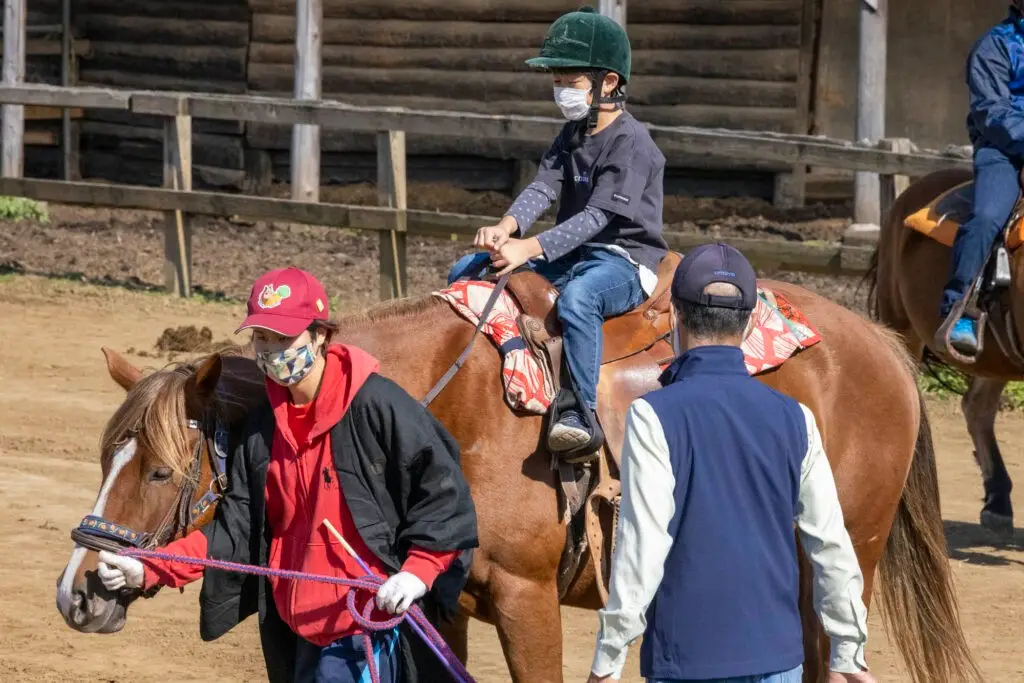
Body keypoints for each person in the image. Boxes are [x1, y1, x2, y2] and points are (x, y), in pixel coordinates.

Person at [96, 266, 479, 683]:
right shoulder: (263, 426)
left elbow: (444, 494)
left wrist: (417, 572)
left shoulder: (379, 405)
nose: (272, 350)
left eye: (284, 338)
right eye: (262, 338)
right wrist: (151, 567)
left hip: (361, 627)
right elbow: (237, 531)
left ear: (320, 335)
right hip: (295, 630)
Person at [586, 243, 876, 683]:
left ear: (676, 318)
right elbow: (831, 545)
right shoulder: (796, 418)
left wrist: (608, 660)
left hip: (686, 659)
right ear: (750, 323)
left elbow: (642, 546)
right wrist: (848, 653)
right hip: (779, 661)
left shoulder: (651, 415)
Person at [446, 6, 669, 454]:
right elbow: (544, 185)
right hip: (573, 250)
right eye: (557, 82)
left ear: (608, 83)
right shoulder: (571, 133)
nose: (561, 91)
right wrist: (506, 227)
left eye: (571, 82)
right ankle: (497, 368)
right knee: (465, 270)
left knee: (580, 299)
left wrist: (528, 248)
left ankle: (579, 412)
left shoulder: (632, 143)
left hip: (626, 259)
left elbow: (598, 218)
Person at [939, 0, 1024, 354]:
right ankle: (960, 308)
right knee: (988, 216)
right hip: (1002, 149)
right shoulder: (994, 45)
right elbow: (991, 111)